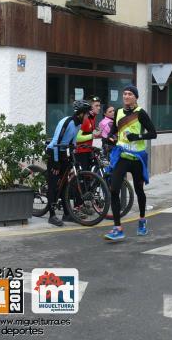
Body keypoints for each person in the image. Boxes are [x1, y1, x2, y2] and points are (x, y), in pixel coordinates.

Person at [103, 85, 157, 241]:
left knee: (139, 190)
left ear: (135, 97)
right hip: (122, 157)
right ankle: (117, 228)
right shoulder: (119, 112)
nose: (126, 96)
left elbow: (153, 134)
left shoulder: (141, 114)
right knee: (114, 189)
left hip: (137, 159)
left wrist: (138, 136)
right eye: (124, 93)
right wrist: (110, 137)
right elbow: (114, 130)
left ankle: (141, 220)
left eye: (129, 94)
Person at [45, 100, 92, 226]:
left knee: (65, 185)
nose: (88, 117)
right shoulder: (68, 122)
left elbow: (73, 142)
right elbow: (56, 142)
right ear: (81, 113)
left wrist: (73, 157)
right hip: (54, 152)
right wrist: (55, 162)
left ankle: (67, 214)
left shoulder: (78, 124)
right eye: (87, 114)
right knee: (54, 185)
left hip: (63, 153)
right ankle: (52, 215)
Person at [75, 96, 102, 171]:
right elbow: (77, 138)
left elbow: (87, 133)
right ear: (90, 108)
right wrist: (92, 135)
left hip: (88, 150)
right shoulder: (86, 119)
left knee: (89, 177)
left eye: (99, 105)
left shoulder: (93, 118)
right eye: (96, 106)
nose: (99, 108)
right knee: (84, 178)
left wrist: (96, 133)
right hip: (81, 152)